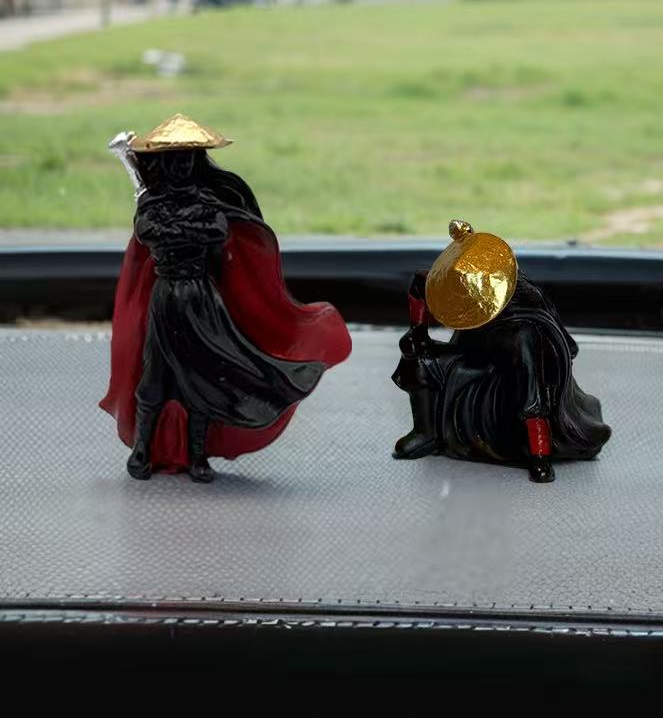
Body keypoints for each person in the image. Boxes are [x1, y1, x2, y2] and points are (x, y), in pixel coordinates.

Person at [100, 114, 351, 482]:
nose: (181, 166)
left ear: (198, 162)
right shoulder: (153, 202)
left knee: (203, 380)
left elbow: (215, 231)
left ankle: (197, 455)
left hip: (202, 299)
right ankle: (142, 451)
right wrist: (184, 225)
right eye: (174, 159)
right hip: (166, 298)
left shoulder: (209, 201)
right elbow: (149, 232)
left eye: (188, 158)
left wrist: (180, 225)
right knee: (154, 378)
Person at [392, 221, 611, 483]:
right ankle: (426, 432)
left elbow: (534, 396)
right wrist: (417, 332)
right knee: (419, 359)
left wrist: (540, 454)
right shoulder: (453, 280)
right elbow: (420, 285)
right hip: (476, 351)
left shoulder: (524, 322)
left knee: (529, 391)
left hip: (519, 359)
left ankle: (538, 451)